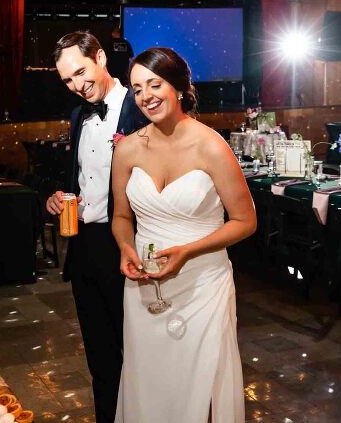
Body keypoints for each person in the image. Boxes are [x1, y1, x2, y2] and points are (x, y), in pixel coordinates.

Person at [111, 47, 256, 422]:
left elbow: (245, 220)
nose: (146, 96)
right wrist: (125, 247)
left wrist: (188, 252)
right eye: (137, 88)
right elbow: (122, 216)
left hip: (203, 283)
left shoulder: (212, 146)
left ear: (177, 87)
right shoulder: (126, 150)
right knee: (151, 379)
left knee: (201, 381)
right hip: (144, 283)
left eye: (154, 84)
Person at [45, 31, 148, 423]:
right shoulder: (78, 116)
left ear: (101, 58)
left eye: (81, 72)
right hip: (84, 248)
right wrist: (60, 196)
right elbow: (82, 179)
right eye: (67, 80)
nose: (76, 85)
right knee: (100, 357)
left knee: (136, 352)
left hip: (126, 245)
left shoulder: (139, 108)